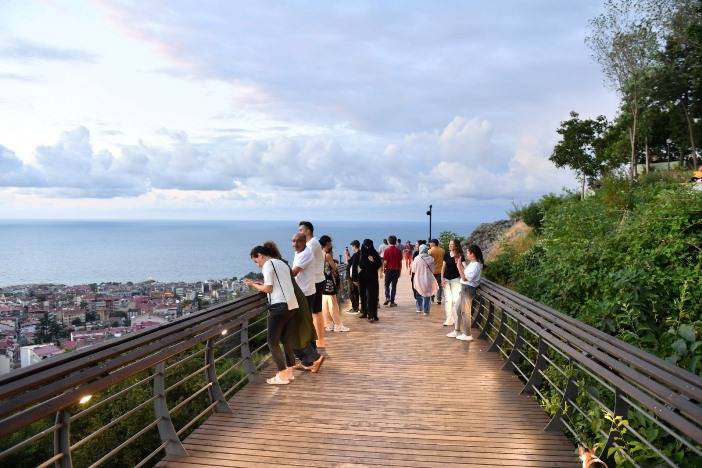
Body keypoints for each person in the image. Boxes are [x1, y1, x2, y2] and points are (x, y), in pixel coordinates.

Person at [244, 245, 297, 385]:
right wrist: (261, 284)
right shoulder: (282, 263)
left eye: (256, 261)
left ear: (260, 255)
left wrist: (253, 285)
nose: (257, 265)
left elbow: (268, 288)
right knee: (285, 339)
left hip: (279, 306)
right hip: (291, 304)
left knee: (272, 342)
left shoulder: (268, 265)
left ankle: (282, 374)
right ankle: (289, 372)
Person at [289, 236, 324, 372]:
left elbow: (293, 273)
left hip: (305, 294)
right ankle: (309, 359)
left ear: (305, 242)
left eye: (298, 241)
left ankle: (314, 358)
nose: (295, 244)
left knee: (300, 326)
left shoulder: (305, 253)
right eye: (293, 241)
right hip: (304, 292)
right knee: (305, 325)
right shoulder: (299, 253)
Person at [298, 221, 326, 348]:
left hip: (315, 282)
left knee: (315, 313)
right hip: (317, 280)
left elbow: (301, 260)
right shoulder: (314, 243)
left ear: (308, 231)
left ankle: (318, 341)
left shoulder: (311, 244)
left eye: (301, 230)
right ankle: (319, 340)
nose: (299, 233)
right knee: (316, 312)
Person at [448, 244, 484, 342]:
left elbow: (464, 277)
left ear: (473, 254)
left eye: (468, 252)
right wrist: (459, 265)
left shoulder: (476, 265)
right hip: (464, 288)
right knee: (457, 308)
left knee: (465, 312)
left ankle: (467, 334)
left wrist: (459, 265)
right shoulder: (472, 264)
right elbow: (465, 275)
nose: (467, 254)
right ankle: (457, 330)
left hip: (468, 289)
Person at [319, 235, 350, 332]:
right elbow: (335, 268)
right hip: (329, 281)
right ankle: (338, 325)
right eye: (330, 243)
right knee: (333, 303)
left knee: (325, 304)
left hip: (322, 281)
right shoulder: (327, 255)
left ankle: (329, 324)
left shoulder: (319, 254)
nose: (331, 244)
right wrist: (334, 263)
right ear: (327, 243)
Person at [354, 239, 381, 322]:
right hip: (362, 278)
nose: (367, 248)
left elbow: (378, 264)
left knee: (371, 296)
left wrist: (373, 261)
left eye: (369, 246)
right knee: (363, 295)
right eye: (366, 246)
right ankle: (364, 312)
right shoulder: (359, 254)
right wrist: (354, 279)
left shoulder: (374, 253)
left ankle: (372, 315)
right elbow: (355, 266)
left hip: (372, 278)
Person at [441, 239, 463, 327]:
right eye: (449, 244)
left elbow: (463, 267)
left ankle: (455, 318)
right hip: (446, 279)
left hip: (456, 280)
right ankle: (448, 319)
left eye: (452, 244)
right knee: (447, 300)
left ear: (456, 246)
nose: (450, 245)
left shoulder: (460, 255)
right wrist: (442, 279)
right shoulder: (446, 254)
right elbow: (443, 267)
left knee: (455, 300)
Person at [411, 244, 438, 315]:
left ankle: (419, 308)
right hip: (428, 279)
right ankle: (426, 311)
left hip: (418, 279)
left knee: (418, 293)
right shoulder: (431, 259)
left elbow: (413, 270)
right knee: (427, 294)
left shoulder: (416, 258)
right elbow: (433, 270)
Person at [382, 235, 402, 307]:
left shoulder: (386, 251)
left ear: (388, 241)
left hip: (389, 270)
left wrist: (384, 269)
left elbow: (385, 262)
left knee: (386, 285)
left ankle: (387, 297)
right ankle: (392, 302)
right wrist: (400, 271)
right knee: (394, 286)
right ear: (396, 241)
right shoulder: (399, 251)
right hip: (396, 270)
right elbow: (400, 262)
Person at [345, 240, 361, 315]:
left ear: (354, 246)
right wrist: (347, 255)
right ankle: (356, 307)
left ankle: (355, 308)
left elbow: (354, 267)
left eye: (352, 246)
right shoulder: (358, 254)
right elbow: (350, 262)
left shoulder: (356, 255)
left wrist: (354, 279)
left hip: (352, 277)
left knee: (351, 292)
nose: (352, 248)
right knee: (355, 292)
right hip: (355, 276)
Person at [428, 239, 445, 305]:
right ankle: (439, 299)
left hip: (432, 271)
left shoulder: (430, 251)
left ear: (434, 243)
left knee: (431, 285)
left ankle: (432, 298)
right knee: (439, 286)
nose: (429, 244)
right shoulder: (442, 251)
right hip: (440, 271)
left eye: (430, 243)